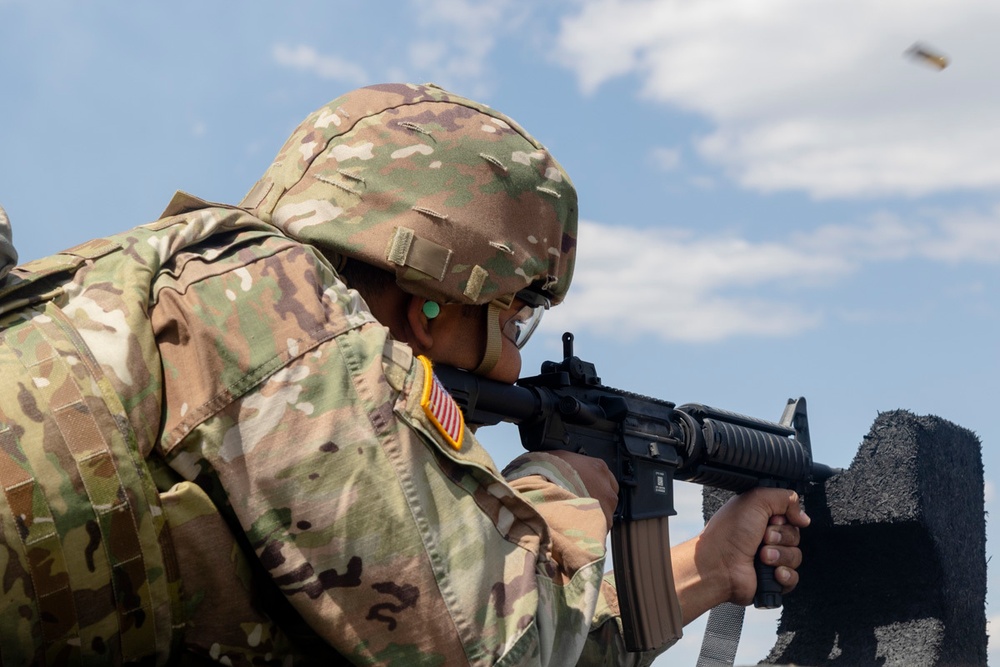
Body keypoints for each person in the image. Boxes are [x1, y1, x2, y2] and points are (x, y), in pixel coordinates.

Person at [0, 82, 807, 666]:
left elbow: (409, 626)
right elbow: (503, 653)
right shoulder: (284, 314)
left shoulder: (178, 295)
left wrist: (702, 568)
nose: (516, 360)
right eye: (515, 317)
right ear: (433, 295)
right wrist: (558, 489)